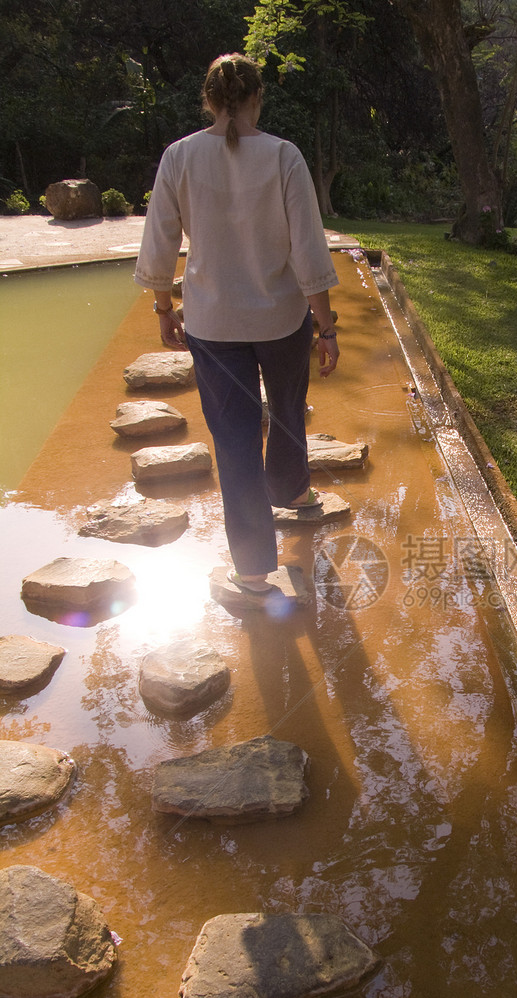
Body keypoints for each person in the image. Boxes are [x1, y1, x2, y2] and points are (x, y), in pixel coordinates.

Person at [134, 53, 339, 594]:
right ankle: (293, 492)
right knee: (289, 406)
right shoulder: (283, 156)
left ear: (208, 100)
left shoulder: (179, 157)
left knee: (234, 440)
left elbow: (159, 241)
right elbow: (309, 248)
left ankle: (251, 570)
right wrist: (327, 327)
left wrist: (162, 308)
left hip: (213, 322)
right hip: (282, 317)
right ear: (256, 100)